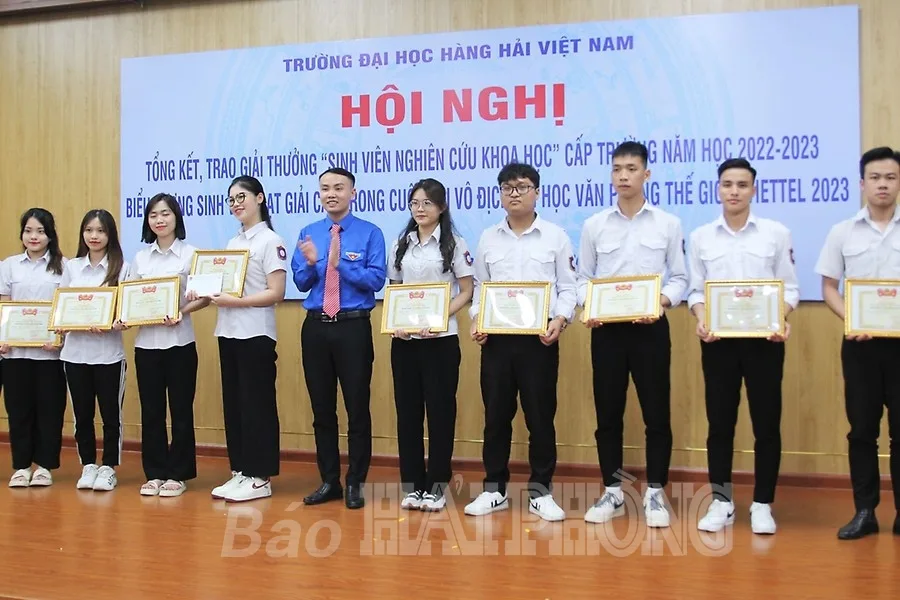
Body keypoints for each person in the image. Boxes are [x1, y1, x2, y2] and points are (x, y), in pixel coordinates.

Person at [577, 141, 688, 527]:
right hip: (606, 332)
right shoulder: (594, 225)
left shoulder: (667, 224)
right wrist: (589, 306)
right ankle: (612, 491)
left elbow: (680, 277)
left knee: (656, 413)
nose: (623, 176)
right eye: (617, 169)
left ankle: (656, 492)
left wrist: (661, 302)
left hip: (650, 330)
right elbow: (583, 278)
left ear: (646, 174)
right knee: (608, 413)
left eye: (631, 169)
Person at [687, 158, 798, 535]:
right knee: (720, 423)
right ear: (718, 189)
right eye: (727, 184)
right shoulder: (702, 237)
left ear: (754, 189)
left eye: (742, 185)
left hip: (764, 342)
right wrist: (702, 317)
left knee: (766, 423)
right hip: (718, 343)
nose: (734, 191)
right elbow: (695, 291)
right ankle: (721, 501)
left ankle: (763, 502)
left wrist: (779, 317)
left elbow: (790, 288)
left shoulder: (776, 234)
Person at [464, 162, 576, 522]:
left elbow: (568, 288)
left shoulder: (555, 237)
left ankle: (541, 491)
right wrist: (477, 319)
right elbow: (479, 289)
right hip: (496, 341)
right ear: (500, 194)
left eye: (522, 187)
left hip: (539, 341)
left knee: (540, 417)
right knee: (496, 416)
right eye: (507, 188)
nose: (515, 193)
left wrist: (559, 320)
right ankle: (493, 489)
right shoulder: (488, 238)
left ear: (536, 192)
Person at [815, 146, 900, 540]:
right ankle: (865, 511)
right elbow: (829, 287)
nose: (883, 185)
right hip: (860, 346)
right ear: (863, 183)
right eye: (876, 178)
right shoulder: (843, 231)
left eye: (891, 178)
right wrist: (851, 319)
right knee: (862, 430)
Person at [292, 167, 386, 510]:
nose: (331, 194)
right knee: (322, 409)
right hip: (316, 328)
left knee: (357, 407)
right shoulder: (309, 232)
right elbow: (301, 282)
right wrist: (312, 265)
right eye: (325, 188)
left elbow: (376, 281)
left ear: (352, 193)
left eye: (338, 188)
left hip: (352, 328)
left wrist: (338, 264)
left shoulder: (370, 233)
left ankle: (355, 482)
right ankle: (329, 480)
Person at [388, 178, 474, 512]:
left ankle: (436, 486)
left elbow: (466, 290)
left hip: (441, 341)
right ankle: (412, 486)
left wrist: (439, 316)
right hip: (405, 341)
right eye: (414, 203)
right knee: (407, 414)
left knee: (440, 413)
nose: (420, 209)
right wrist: (396, 323)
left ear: (441, 207)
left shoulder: (454, 244)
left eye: (427, 203)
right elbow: (395, 288)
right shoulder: (401, 243)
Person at [205, 176, 287, 503]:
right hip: (228, 331)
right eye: (231, 200)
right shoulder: (232, 243)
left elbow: (276, 292)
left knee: (257, 406)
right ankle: (241, 470)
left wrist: (236, 302)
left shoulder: (270, 240)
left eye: (242, 197)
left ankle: (260, 476)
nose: (236, 204)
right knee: (235, 404)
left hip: (256, 333)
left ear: (260, 198)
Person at [126, 194, 208, 497]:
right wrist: (128, 316)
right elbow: (130, 298)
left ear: (176, 217)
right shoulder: (140, 258)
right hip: (146, 345)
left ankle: (178, 474)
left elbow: (204, 296)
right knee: (151, 411)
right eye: (153, 215)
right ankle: (155, 473)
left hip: (180, 342)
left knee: (181, 409)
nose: (159, 220)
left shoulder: (190, 254)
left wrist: (181, 311)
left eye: (165, 214)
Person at [59, 209, 129, 492]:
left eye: (100, 230)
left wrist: (115, 323)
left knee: (111, 416)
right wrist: (65, 322)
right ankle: (88, 464)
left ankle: (109, 466)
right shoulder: (72, 267)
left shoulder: (122, 267)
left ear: (110, 234)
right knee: (82, 416)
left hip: (109, 355)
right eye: (89, 230)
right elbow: (61, 307)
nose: (94, 236)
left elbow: (127, 311)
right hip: (75, 354)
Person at [0, 208, 67, 487]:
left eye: (40, 231)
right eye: (28, 231)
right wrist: (3, 335)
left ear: (50, 235)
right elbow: (4, 304)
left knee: (50, 410)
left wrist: (60, 336)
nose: (34, 236)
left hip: (50, 353)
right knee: (18, 410)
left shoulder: (64, 267)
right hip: (15, 352)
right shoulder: (9, 265)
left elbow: (67, 308)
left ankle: (45, 466)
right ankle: (21, 466)